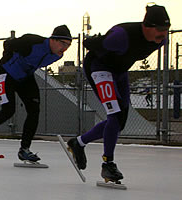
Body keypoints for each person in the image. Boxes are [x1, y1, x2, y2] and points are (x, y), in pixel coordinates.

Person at [67, 4, 170, 183]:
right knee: (114, 114)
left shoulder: (161, 40)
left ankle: (79, 142)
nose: (163, 34)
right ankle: (108, 164)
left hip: (120, 72)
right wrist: (93, 42)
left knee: (119, 122)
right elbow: (91, 44)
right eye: (160, 29)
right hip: (99, 68)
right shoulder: (121, 36)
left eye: (167, 29)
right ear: (147, 26)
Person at [0, 25, 72, 162]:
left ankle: (24, 149)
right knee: (8, 109)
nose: (65, 48)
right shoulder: (33, 41)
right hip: (6, 72)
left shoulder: (57, 55)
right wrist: (8, 58)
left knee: (34, 110)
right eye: (63, 43)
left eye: (68, 45)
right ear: (53, 39)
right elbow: (8, 43)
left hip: (25, 77)